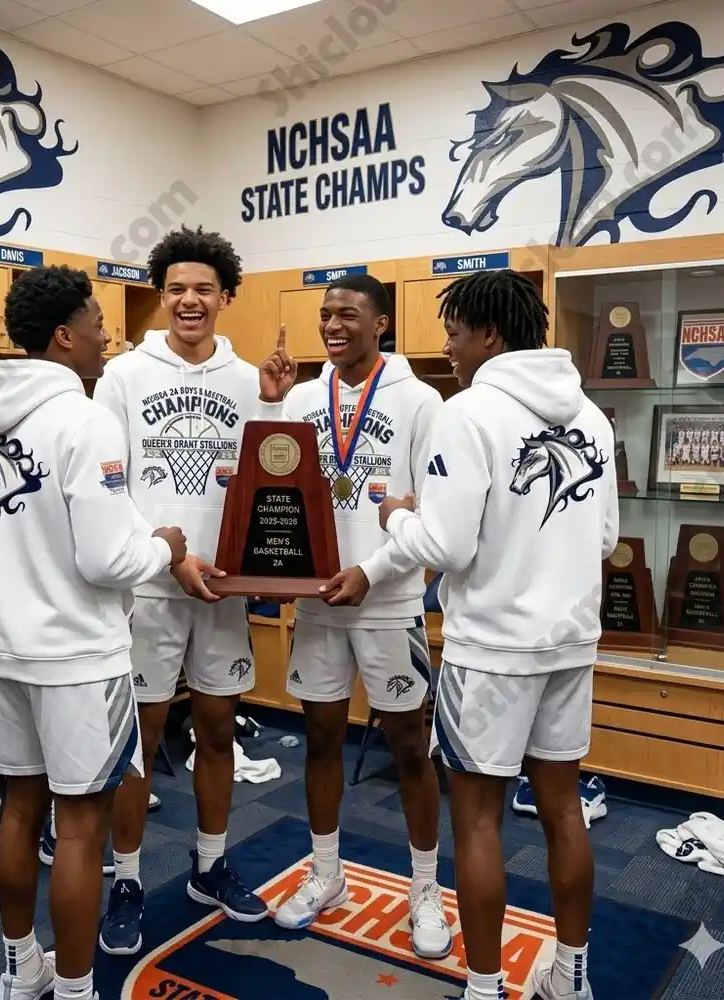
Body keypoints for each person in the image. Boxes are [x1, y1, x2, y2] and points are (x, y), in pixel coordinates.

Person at [379, 269, 619, 1000]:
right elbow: (605, 537)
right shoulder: (591, 415)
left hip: (490, 651)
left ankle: (484, 988)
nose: (448, 349)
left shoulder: (470, 410)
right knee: (563, 809)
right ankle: (570, 978)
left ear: (489, 333)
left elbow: (447, 546)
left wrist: (397, 514)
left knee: (478, 821)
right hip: (570, 643)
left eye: (453, 333)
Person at [0, 264, 188, 1000]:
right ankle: (81, 989)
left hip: (9, 653)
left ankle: (22, 971)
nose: (105, 337)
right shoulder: (85, 420)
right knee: (82, 826)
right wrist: (166, 547)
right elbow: (108, 557)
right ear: (63, 336)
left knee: (21, 808)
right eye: (95, 324)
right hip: (81, 659)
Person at [92, 224, 295, 955]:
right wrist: (169, 557)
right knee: (138, 744)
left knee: (216, 730)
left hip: (225, 588)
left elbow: (272, 476)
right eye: (176, 288)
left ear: (225, 297)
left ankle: (210, 865)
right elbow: (108, 489)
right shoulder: (122, 377)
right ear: (161, 294)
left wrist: (274, 404)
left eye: (203, 289)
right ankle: (125, 877)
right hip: (150, 588)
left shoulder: (249, 380)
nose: (189, 300)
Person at [260, 273, 451, 956]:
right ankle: (326, 872)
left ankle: (424, 889)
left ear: (382, 324)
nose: (333, 326)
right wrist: (278, 568)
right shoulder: (304, 398)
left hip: (389, 600)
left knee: (408, 748)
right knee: (320, 738)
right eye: (325, 315)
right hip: (319, 603)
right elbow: (277, 490)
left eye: (348, 314)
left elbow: (433, 516)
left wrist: (374, 572)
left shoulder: (422, 401)